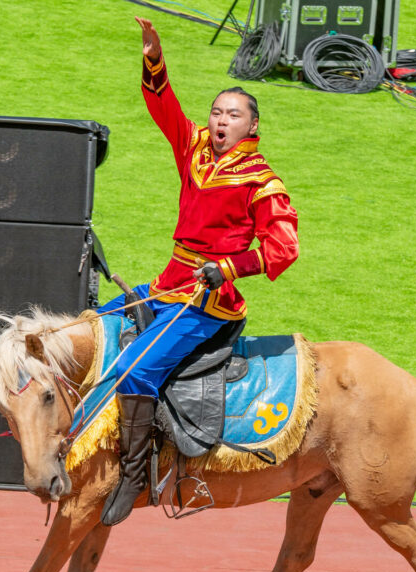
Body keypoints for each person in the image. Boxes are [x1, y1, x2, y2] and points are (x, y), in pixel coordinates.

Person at [97, 17, 299, 526]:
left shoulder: (262, 181)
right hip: (168, 283)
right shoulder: (194, 151)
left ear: (252, 126)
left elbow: (284, 247)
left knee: (137, 369)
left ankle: (134, 475)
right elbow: (163, 109)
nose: (219, 120)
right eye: (215, 112)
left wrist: (229, 267)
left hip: (208, 302)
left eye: (232, 114)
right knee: (93, 324)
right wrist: (152, 55)